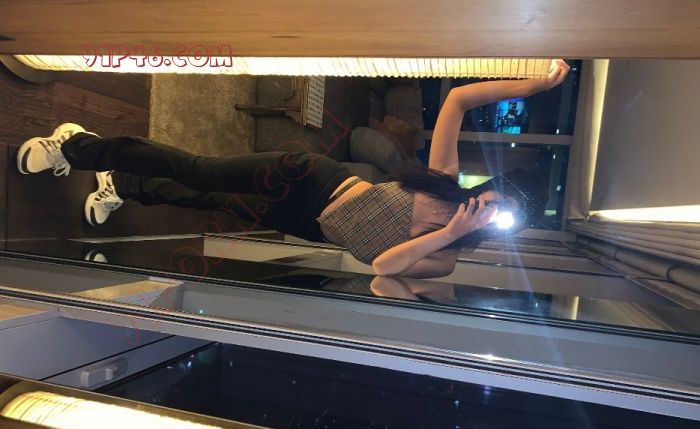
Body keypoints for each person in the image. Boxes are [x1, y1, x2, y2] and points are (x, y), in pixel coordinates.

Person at [17, 59, 570, 278]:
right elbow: (458, 101)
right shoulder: (443, 179)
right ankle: (80, 147)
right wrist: (532, 86)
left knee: (207, 201)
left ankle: (125, 184)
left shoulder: (445, 259)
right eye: (496, 198)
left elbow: (383, 267)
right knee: (201, 170)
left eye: (500, 217)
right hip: (312, 177)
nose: (487, 209)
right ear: (490, 186)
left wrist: (448, 233)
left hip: (309, 222)